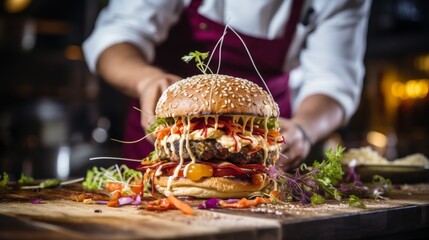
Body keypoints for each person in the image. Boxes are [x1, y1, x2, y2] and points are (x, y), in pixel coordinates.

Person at [83, 0, 371, 170]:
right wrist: (147, 79)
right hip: (157, 139)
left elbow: (335, 80)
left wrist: (304, 130)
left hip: (267, 137)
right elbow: (115, 35)